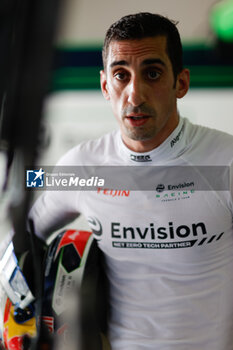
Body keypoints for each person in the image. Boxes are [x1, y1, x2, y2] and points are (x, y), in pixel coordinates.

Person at [22, 12, 233, 350]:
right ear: (106, 85)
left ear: (181, 82)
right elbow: (24, 236)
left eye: (152, 73)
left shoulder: (225, 161)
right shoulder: (82, 167)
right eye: (121, 75)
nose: (134, 95)